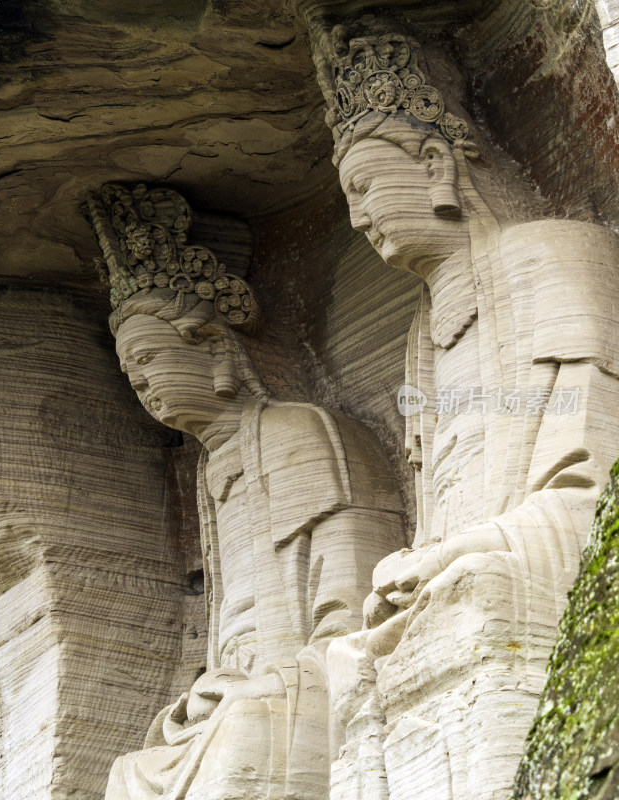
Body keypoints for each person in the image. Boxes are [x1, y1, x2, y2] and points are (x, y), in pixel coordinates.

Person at [312, 31, 619, 800]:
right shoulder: (419, 339)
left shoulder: (551, 253)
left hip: (547, 542)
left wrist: (469, 547)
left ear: (435, 165)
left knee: (474, 588)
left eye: (367, 188)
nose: (359, 218)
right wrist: (419, 561)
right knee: (352, 657)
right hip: (459, 559)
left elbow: (588, 481)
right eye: (348, 200)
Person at [86, 183, 406, 800]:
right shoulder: (212, 474)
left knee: (244, 730)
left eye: (149, 360)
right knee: (129, 775)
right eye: (131, 373)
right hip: (235, 685)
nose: (142, 385)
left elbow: (348, 596)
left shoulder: (299, 432)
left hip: (302, 672)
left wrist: (279, 672)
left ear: (208, 347)